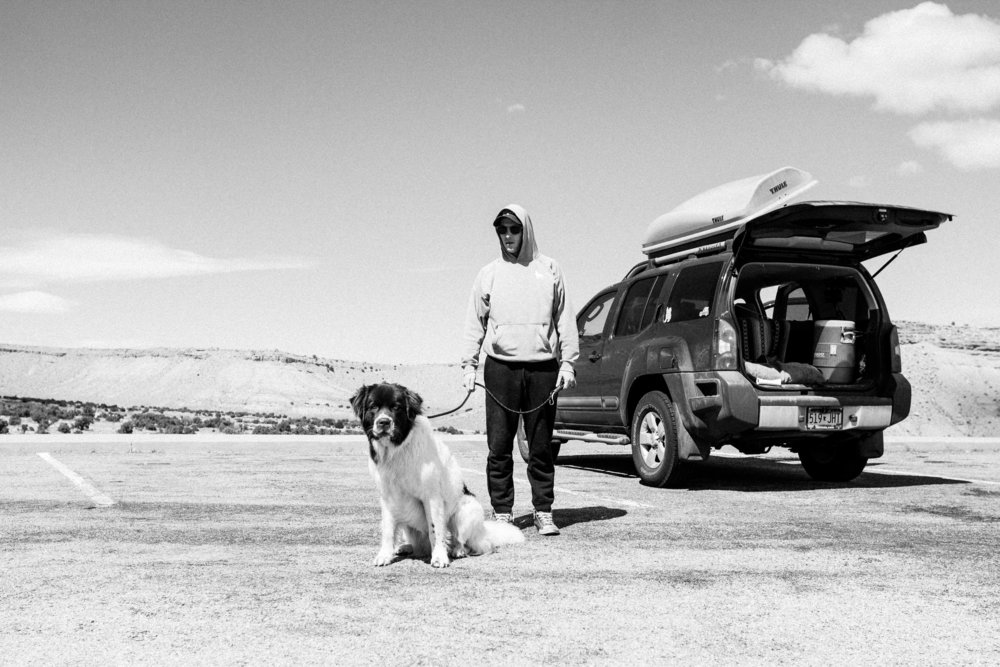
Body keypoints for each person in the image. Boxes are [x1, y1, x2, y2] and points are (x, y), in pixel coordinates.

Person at [461, 204, 579, 536]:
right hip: (500, 370)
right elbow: (475, 323)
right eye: (502, 230)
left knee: (540, 446)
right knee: (499, 446)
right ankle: (502, 512)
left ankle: (543, 510)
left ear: (525, 230)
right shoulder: (488, 274)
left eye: (514, 229)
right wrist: (468, 366)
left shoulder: (550, 269)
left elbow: (565, 319)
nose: (508, 236)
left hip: (543, 371)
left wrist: (568, 363)